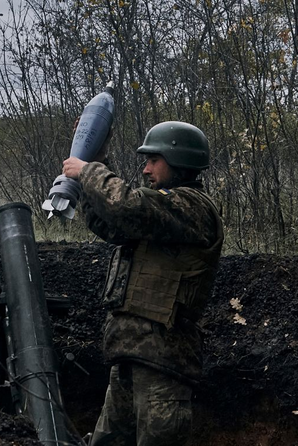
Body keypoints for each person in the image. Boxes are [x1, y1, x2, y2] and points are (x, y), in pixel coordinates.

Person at [61, 121, 224, 446]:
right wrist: (98, 156)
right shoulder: (160, 214)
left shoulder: (192, 207)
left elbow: (128, 206)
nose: (146, 169)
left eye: (153, 160)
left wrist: (89, 171)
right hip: (130, 357)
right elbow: (112, 222)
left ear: (178, 161)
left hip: (164, 366)